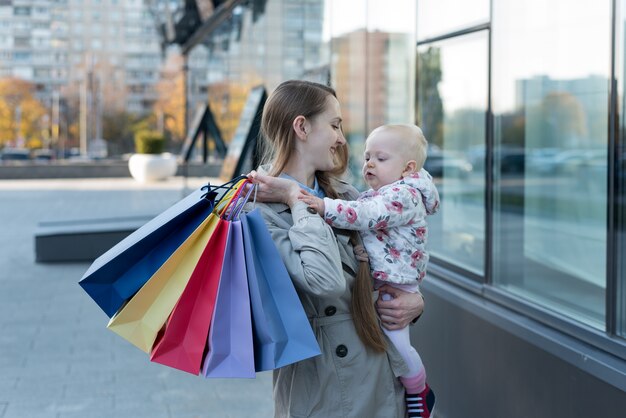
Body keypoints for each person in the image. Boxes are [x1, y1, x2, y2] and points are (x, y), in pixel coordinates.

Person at [247, 80, 425, 418]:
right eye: (334, 125)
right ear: (301, 127)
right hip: (324, 385)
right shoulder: (257, 213)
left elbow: (393, 258)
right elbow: (325, 281)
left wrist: (414, 302)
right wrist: (294, 199)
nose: (342, 138)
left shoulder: (347, 196)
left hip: (381, 369)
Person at [298, 124, 440, 418]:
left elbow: (364, 216)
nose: (369, 164)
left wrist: (323, 207)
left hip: (396, 287)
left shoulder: (404, 196)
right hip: (382, 287)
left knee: (399, 350)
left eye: (381, 158)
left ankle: (420, 393)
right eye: (367, 157)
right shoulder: (380, 193)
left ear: (407, 168)